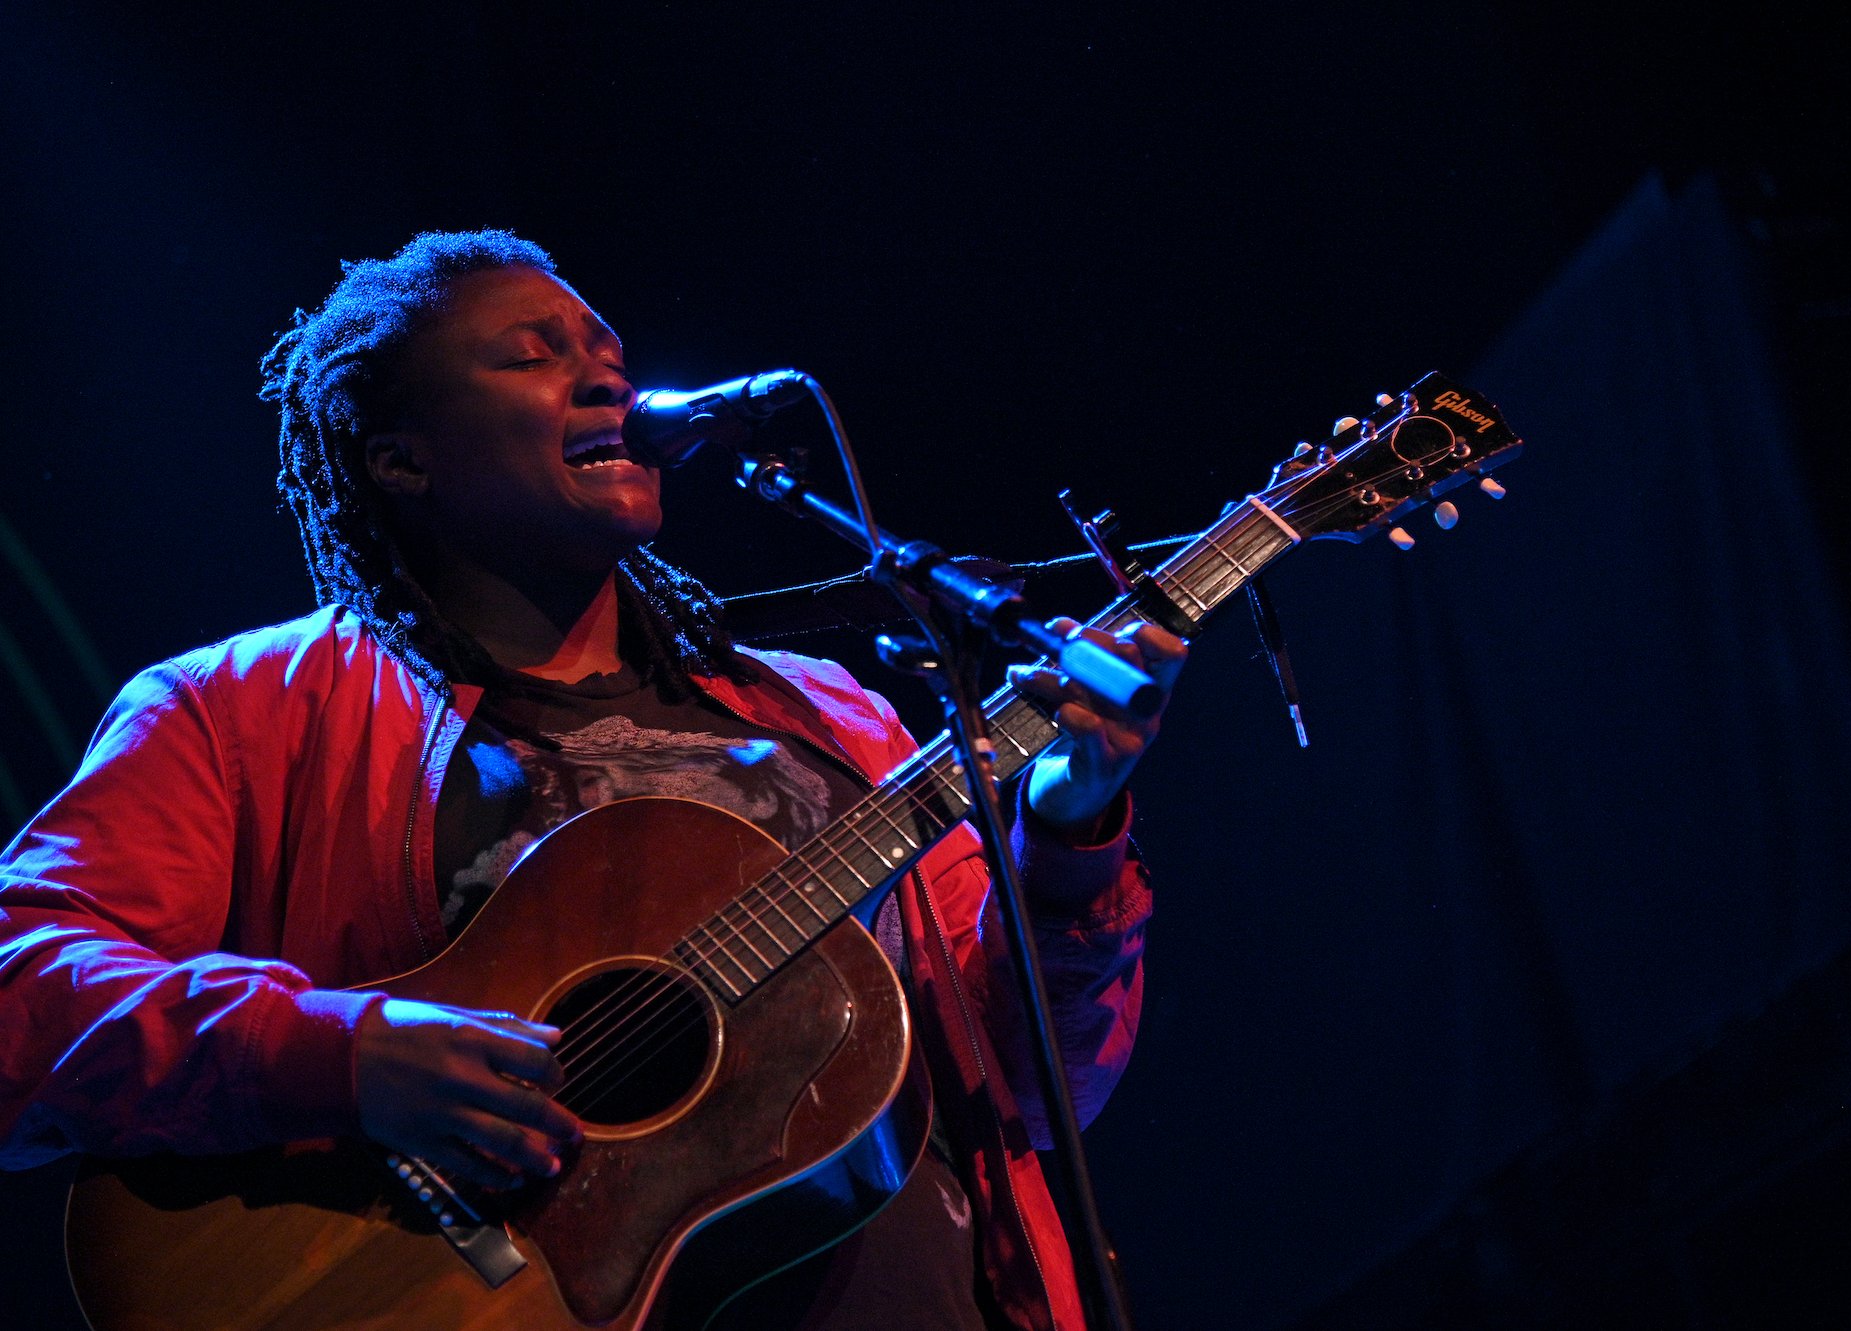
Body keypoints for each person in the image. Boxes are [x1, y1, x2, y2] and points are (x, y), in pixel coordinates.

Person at [0, 230, 1184, 1330]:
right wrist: (344, 1051)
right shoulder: (240, 711)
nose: (606, 379)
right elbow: (24, 990)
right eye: (533, 356)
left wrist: (1064, 834)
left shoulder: (831, 714)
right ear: (400, 457)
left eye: (609, 354)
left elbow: (1036, 1088)